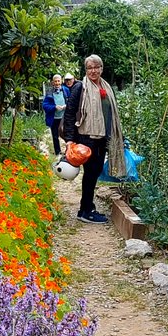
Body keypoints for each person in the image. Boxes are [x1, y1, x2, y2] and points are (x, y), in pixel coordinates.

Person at [63, 54, 126, 224]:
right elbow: (69, 113)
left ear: (101, 69)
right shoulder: (80, 87)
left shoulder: (106, 87)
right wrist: (69, 140)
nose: (93, 71)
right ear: (86, 70)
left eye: (96, 67)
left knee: (95, 172)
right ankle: (86, 210)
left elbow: (111, 114)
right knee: (90, 173)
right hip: (86, 137)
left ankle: (87, 208)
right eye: (89, 68)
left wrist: (118, 136)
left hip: (102, 137)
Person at [42, 73, 69, 157]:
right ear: (52, 82)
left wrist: (66, 106)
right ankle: (58, 153)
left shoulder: (66, 90)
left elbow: (71, 101)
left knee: (67, 135)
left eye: (58, 81)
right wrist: (54, 107)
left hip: (64, 117)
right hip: (54, 118)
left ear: (61, 81)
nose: (57, 83)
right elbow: (45, 105)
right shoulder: (49, 92)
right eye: (55, 81)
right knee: (55, 136)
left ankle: (68, 152)